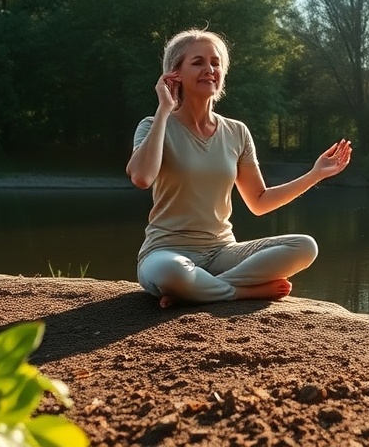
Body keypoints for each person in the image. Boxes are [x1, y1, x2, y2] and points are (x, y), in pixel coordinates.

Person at [126, 28, 352, 307]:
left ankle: (199, 289)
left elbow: (259, 201)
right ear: (174, 74)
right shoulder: (153, 125)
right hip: (167, 251)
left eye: (215, 62)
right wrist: (163, 109)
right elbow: (141, 177)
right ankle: (241, 291)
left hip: (223, 253)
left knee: (305, 246)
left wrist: (315, 174)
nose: (209, 69)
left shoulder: (237, 132)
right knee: (170, 272)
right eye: (197, 62)